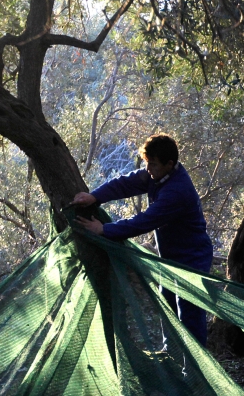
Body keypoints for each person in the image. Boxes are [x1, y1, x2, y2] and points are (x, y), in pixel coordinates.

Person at [72, 134, 213, 347]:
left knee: (189, 314)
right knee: (168, 306)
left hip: (193, 260)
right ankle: (171, 355)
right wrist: (95, 196)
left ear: (169, 164)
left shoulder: (177, 191)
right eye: (147, 162)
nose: (148, 169)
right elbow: (125, 184)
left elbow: (144, 222)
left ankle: (195, 366)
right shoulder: (157, 175)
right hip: (170, 258)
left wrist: (104, 229)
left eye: (152, 164)